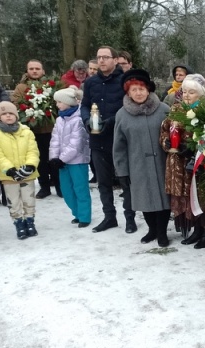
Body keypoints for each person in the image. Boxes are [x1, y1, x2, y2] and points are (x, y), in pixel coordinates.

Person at [114, 69, 171, 246]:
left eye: (141, 88)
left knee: (164, 199)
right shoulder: (122, 115)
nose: (138, 93)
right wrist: (121, 170)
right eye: (134, 90)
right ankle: (152, 230)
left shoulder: (163, 110)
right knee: (144, 199)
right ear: (128, 92)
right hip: (137, 164)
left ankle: (162, 233)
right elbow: (119, 146)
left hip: (162, 163)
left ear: (148, 89)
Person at [81, 45, 135, 234]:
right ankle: (109, 217)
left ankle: (130, 218)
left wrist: (111, 122)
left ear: (114, 59)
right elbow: (85, 105)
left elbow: (128, 106)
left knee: (125, 181)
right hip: (97, 140)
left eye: (105, 57)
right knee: (103, 182)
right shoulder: (91, 82)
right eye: (99, 57)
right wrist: (87, 120)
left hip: (119, 139)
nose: (102, 60)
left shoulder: (124, 81)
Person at [160, 74, 205, 249]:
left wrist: (193, 147)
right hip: (178, 163)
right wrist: (166, 142)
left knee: (201, 197)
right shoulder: (176, 109)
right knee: (186, 197)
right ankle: (196, 230)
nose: (186, 95)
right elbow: (164, 130)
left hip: (198, 162)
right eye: (184, 92)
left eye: (191, 92)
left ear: (200, 94)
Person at [11, 59, 60, 199]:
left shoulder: (51, 85)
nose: (34, 71)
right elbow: (15, 103)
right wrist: (27, 110)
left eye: (37, 68)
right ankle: (44, 187)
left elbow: (58, 102)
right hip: (32, 132)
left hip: (51, 129)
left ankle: (59, 186)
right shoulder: (21, 87)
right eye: (31, 68)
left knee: (54, 159)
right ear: (27, 71)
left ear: (43, 70)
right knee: (39, 160)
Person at [49, 86, 91, 228]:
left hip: (77, 161)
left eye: (59, 101)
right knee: (66, 190)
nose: (57, 104)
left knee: (80, 189)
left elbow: (76, 143)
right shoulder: (60, 119)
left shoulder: (79, 120)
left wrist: (62, 158)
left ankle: (84, 216)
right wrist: (54, 158)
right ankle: (77, 213)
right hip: (62, 162)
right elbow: (54, 140)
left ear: (68, 102)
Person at [0, 101, 40, 239]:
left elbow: (32, 151)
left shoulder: (26, 132)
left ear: (16, 115)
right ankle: (19, 223)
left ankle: (30, 221)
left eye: (11, 113)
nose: (8, 116)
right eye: (4, 114)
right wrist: (9, 170)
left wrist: (30, 166)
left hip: (27, 175)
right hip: (8, 177)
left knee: (29, 199)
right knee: (14, 201)